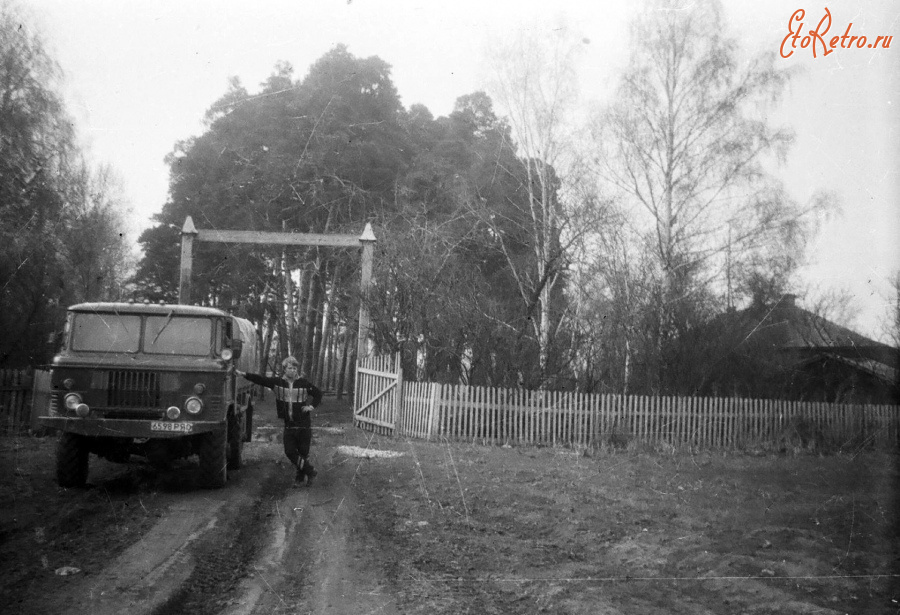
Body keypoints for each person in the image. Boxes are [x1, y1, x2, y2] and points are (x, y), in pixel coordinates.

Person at [235, 356, 323, 485]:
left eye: (294, 368)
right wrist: (244, 374)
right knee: (290, 451)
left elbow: (318, 394)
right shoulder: (277, 383)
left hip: (304, 423)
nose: (292, 371)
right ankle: (310, 471)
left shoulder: (304, 383)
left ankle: (300, 479)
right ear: (284, 370)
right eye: (289, 368)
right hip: (289, 423)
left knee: (303, 452)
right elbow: (261, 380)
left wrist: (311, 406)